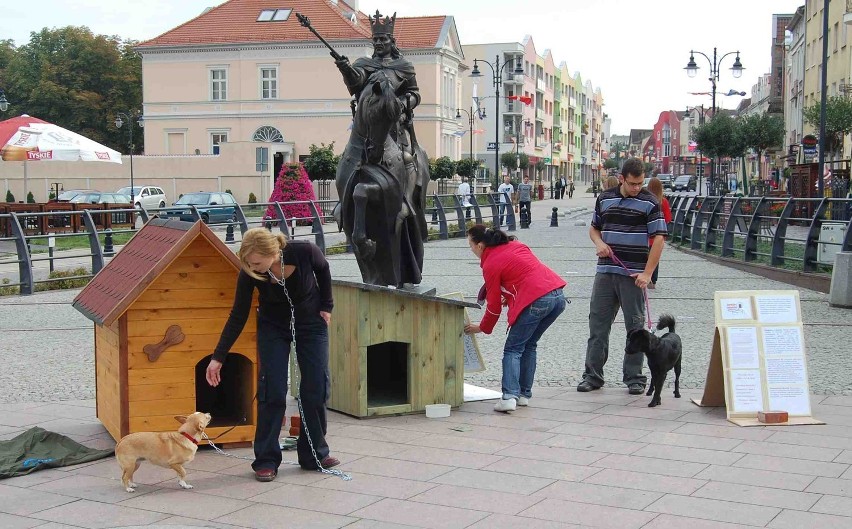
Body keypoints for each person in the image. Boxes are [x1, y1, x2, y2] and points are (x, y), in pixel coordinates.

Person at [206, 228, 338, 482]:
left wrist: (326, 305)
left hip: (311, 323)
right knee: (273, 390)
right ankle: (266, 460)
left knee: (316, 386)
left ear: (274, 253)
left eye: (256, 262)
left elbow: (324, 270)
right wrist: (218, 356)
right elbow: (238, 315)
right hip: (273, 327)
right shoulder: (250, 273)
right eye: (247, 263)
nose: (251, 267)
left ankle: (314, 454)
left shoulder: (304, 252)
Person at [577, 158, 668, 395]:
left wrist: (648, 273)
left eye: (640, 183)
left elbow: (659, 238)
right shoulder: (605, 198)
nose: (637, 188)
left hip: (633, 274)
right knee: (597, 326)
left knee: (636, 328)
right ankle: (592, 376)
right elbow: (594, 227)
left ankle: (635, 378)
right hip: (606, 271)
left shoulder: (650, 202)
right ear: (621, 179)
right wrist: (598, 243)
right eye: (632, 183)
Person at [464, 225, 566, 412]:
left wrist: (483, 327)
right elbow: (525, 274)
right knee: (529, 344)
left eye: (470, 245)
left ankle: (509, 396)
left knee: (513, 349)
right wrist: (511, 295)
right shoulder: (516, 244)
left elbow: (493, 306)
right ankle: (523, 395)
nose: (470, 249)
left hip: (536, 300)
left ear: (479, 245)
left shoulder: (490, 263)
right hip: (557, 296)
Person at [646, 177, 672, 289]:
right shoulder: (663, 201)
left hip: (645, 236)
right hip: (658, 236)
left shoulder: (645, 201)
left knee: (643, 257)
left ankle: (643, 277)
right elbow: (668, 219)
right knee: (655, 258)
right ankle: (653, 280)